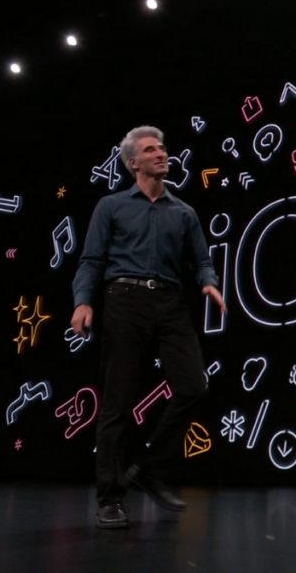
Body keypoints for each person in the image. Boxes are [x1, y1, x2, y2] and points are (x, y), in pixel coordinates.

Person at [71, 126, 226, 529]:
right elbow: (91, 259)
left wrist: (208, 281)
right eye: (151, 150)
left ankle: (149, 469)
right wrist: (83, 301)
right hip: (125, 300)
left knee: (193, 386)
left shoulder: (184, 212)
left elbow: (201, 259)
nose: (161, 153)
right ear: (133, 163)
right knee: (118, 403)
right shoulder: (111, 206)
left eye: (162, 148)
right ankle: (110, 499)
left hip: (170, 303)